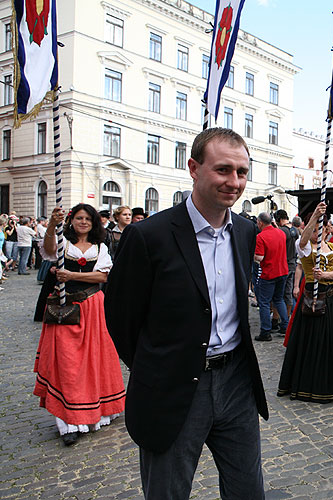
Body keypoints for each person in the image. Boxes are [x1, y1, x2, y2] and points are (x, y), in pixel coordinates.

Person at [105, 128, 268, 499]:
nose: (234, 182)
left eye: (242, 172)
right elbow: (121, 317)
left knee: (248, 490)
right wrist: (157, 366)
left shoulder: (244, 232)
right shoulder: (149, 236)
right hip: (173, 387)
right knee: (168, 492)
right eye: (223, 169)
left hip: (237, 382)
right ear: (194, 168)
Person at [34, 203, 125, 446]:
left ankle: (98, 411)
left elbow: (103, 276)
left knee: (94, 360)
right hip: (64, 309)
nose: (83, 222)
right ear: (71, 221)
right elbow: (49, 248)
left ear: (94, 223)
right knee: (66, 363)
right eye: (78, 218)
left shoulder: (100, 247)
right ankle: (68, 422)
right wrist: (53, 223)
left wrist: (71, 275)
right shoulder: (63, 243)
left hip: (92, 307)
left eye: (88, 219)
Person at [277, 202, 333, 403]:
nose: (317, 232)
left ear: (327, 230)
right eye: (314, 229)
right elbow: (302, 242)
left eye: (321, 228)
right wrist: (313, 217)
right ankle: (305, 382)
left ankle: (329, 381)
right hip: (311, 297)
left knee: (332, 339)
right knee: (307, 339)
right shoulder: (304, 247)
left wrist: (325, 274)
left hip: (331, 296)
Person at [254, 211, 289, 342]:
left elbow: (259, 258)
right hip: (283, 271)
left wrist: (252, 254)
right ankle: (285, 326)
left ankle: (265, 331)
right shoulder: (281, 233)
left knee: (264, 302)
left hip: (269, 273)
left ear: (260, 222)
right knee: (279, 299)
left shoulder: (261, 237)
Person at [274, 209, 298, 321]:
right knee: (288, 293)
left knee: (278, 294)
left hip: (283, 266)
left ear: (278, 219)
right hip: (293, 264)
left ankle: (277, 318)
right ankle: (287, 318)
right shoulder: (295, 231)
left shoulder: (281, 231)